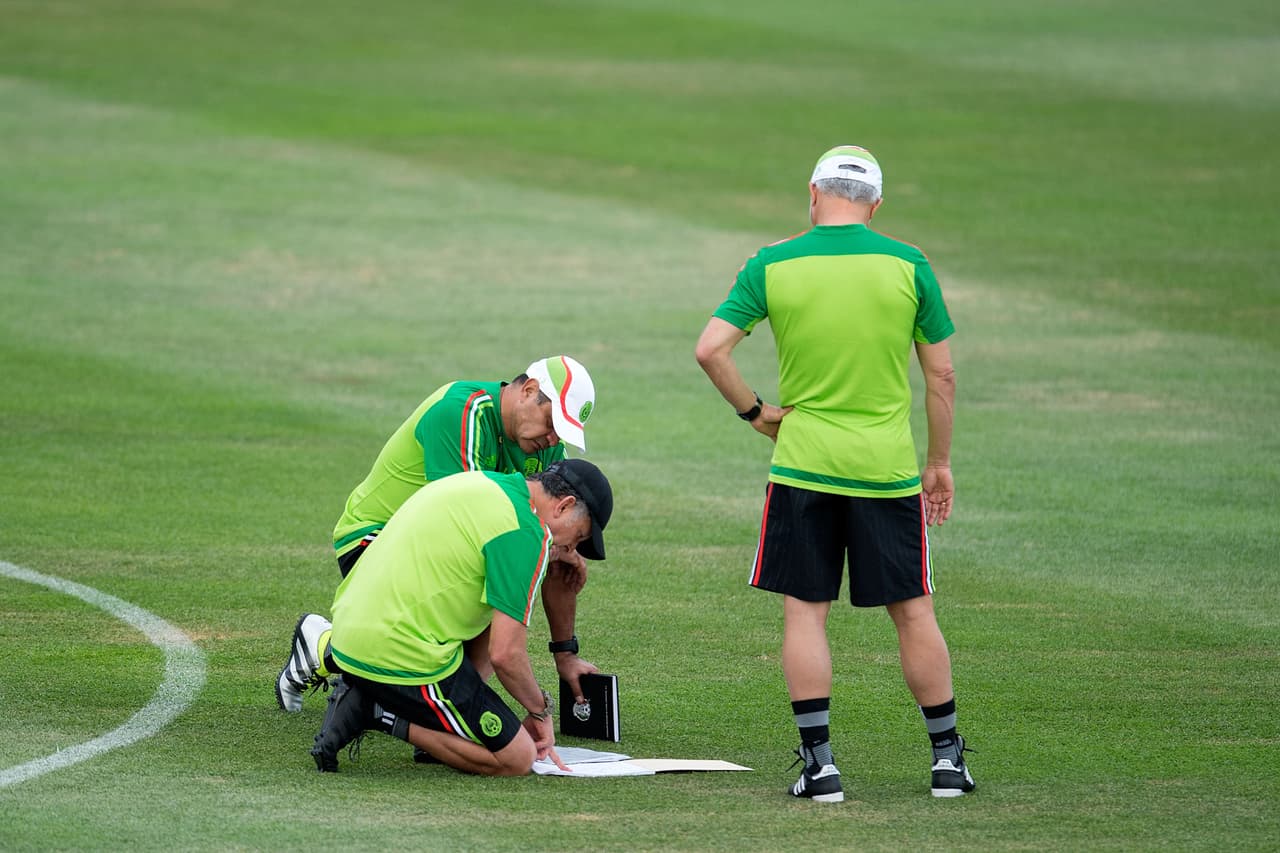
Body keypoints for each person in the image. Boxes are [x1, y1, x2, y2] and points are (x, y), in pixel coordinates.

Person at [694, 144, 974, 801]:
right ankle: (946, 761)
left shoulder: (771, 263)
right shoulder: (909, 264)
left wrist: (755, 412)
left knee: (805, 614)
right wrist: (938, 463)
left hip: (804, 466)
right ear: (875, 206)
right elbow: (943, 376)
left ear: (813, 193)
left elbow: (710, 350)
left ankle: (820, 768)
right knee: (914, 612)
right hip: (885, 470)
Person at [276, 356, 601, 716]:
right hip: (373, 538)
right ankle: (325, 646)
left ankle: (436, 705)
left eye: (561, 432)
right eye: (552, 422)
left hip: (430, 552)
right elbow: (461, 525)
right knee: (486, 585)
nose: (553, 438)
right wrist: (546, 549)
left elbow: (533, 549)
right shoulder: (462, 412)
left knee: (541, 556)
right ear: (528, 390)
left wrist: (565, 654)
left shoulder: (547, 448)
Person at [278, 458, 614, 777]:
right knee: (517, 758)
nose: (572, 549)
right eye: (579, 536)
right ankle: (377, 711)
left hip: (347, 635)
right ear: (565, 505)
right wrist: (540, 711)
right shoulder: (526, 532)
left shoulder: (487, 483)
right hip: (396, 652)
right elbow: (505, 655)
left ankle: (397, 702)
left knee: (490, 612)